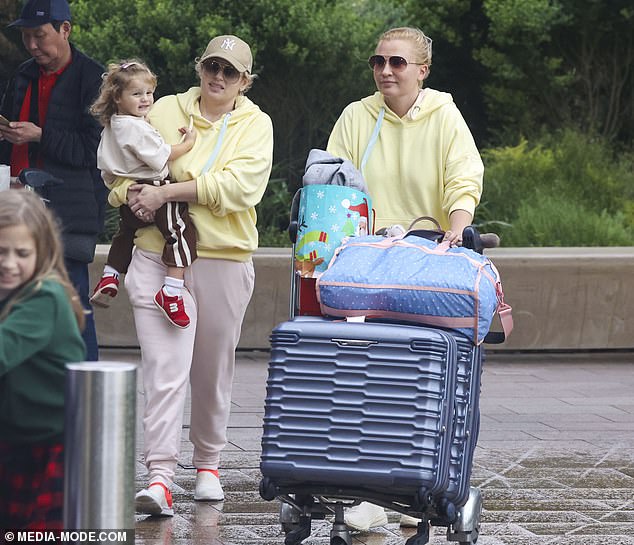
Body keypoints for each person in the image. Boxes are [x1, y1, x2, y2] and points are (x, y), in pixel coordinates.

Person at [105, 35, 273, 516]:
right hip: (156, 256)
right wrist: (131, 195)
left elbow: (240, 189)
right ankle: (159, 476)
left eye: (230, 71)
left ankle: (207, 465)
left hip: (223, 259)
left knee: (211, 370)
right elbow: (118, 164)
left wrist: (166, 193)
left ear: (245, 80)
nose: (218, 77)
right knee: (163, 373)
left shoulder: (256, 123)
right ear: (200, 68)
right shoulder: (162, 110)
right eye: (211, 67)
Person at [326, 27, 484, 530]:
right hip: (365, 261)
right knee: (363, 378)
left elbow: (463, 177)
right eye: (378, 61)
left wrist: (456, 232)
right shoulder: (356, 116)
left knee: (421, 381)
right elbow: (333, 181)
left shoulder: (444, 116)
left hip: (424, 262)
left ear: (422, 70)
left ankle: (419, 488)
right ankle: (371, 493)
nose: (385, 71)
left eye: (397, 62)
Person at [0, 0, 107, 362]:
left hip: (71, 212)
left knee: (72, 306)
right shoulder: (24, 74)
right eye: (27, 37)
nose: (32, 45)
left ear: (65, 30)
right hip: (18, 206)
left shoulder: (93, 78)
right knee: (14, 305)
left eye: (40, 35)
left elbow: (95, 152)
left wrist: (39, 135)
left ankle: (86, 395)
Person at [0, 190, 86, 531]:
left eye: (21, 253)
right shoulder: (11, 291)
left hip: (50, 445)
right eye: (0, 252)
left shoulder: (44, 296)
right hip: (16, 437)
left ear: (42, 252)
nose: (8, 263)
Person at [89, 60, 197, 328]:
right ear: (118, 97)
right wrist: (188, 143)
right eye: (136, 94)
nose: (146, 99)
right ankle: (171, 291)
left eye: (149, 93)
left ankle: (110, 274)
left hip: (129, 197)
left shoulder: (114, 125)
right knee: (180, 232)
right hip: (154, 190)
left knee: (126, 233)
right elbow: (163, 155)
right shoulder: (135, 128)